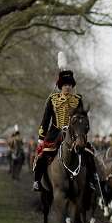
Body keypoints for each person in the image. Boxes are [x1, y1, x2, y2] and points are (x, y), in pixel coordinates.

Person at [33, 57, 85, 191]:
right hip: (55, 132)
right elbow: (46, 120)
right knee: (43, 155)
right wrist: (41, 138)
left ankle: (92, 180)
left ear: (72, 86)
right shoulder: (53, 99)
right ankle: (37, 181)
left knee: (89, 155)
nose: (67, 87)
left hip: (73, 133)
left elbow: (82, 119)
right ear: (60, 86)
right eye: (65, 85)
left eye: (69, 85)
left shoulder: (78, 100)